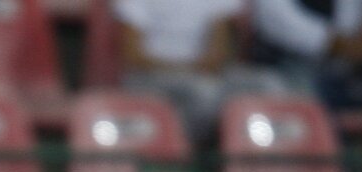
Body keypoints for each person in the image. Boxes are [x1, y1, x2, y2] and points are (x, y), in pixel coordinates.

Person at [115, 0, 290, 143]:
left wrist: (204, 67)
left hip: (202, 74)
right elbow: (134, 56)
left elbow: (217, 54)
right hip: (150, 76)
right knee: (203, 92)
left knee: (269, 83)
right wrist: (186, 69)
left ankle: (262, 157)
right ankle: (192, 161)